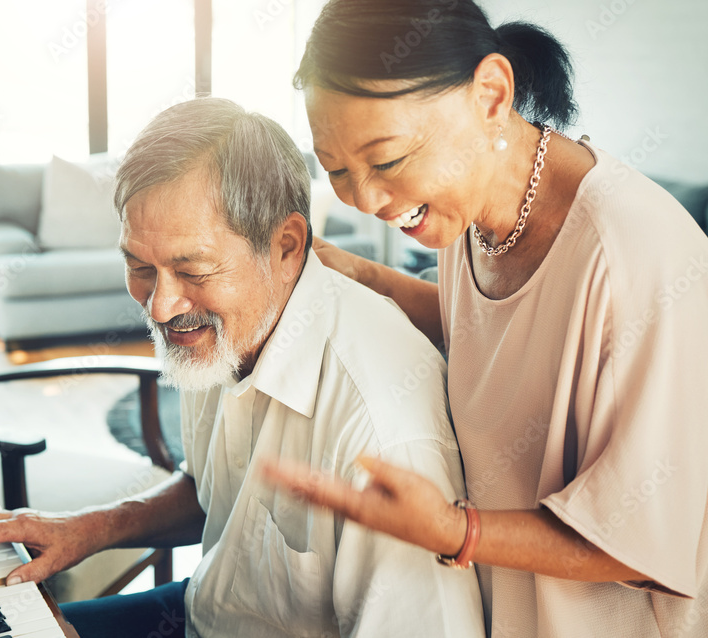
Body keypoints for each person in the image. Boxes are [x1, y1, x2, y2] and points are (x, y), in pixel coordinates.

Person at [0, 97, 484, 637]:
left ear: (287, 246)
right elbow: (210, 493)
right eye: (139, 266)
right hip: (206, 608)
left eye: (192, 269)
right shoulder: (223, 332)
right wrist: (91, 528)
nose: (160, 307)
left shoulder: (383, 430)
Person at [261, 1, 708, 636]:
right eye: (336, 169)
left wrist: (451, 529)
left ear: (491, 95)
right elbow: (501, 338)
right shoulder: (473, 212)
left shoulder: (635, 255)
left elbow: (646, 536)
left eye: (386, 161)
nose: (365, 200)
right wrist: (366, 275)